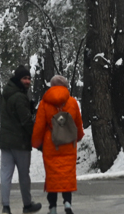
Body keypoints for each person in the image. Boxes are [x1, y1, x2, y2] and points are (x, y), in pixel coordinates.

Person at [32, 75, 84, 214]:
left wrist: (36, 143)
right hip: (68, 144)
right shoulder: (72, 102)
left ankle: (53, 208)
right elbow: (78, 124)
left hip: (51, 144)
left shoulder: (44, 103)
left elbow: (39, 125)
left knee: (52, 178)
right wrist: (78, 137)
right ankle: (67, 204)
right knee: (67, 176)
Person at [0, 65, 42, 214]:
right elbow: (26, 122)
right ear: (18, 79)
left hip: (5, 142)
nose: (28, 81)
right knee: (24, 175)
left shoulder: (6, 94)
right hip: (20, 143)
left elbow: (11, 116)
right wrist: (37, 141)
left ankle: (5, 207)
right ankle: (27, 205)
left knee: (5, 175)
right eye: (25, 78)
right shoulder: (19, 97)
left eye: (29, 78)